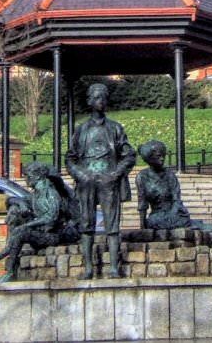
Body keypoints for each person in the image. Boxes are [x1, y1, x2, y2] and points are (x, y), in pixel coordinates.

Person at [66, 83, 136, 279]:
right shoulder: (81, 130)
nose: (101, 101)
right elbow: (70, 158)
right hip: (86, 181)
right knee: (86, 225)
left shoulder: (115, 128)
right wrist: (80, 174)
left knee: (112, 226)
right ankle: (88, 268)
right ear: (90, 101)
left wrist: (114, 174)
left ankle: (114, 268)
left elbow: (129, 155)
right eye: (97, 97)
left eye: (103, 98)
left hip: (108, 181)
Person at [0, 162, 79, 282]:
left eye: (28, 176)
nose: (26, 179)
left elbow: (51, 218)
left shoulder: (50, 193)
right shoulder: (37, 193)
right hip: (42, 233)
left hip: (54, 236)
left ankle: (11, 270)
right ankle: (9, 254)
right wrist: (21, 204)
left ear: (37, 176)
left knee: (21, 232)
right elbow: (10, 200)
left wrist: (27, 225)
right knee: (15, 211)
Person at [135, 140, 191, 230]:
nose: (162, 158)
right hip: (156, 214)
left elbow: (176, 198)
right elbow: (142, 201)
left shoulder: (170, 175)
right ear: (149, 157)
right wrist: (142, 223)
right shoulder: (142, 177)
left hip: (174, 213)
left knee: (180, 221)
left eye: (163, 156)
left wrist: (173, 213)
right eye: (158, 156)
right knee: (154, 222)